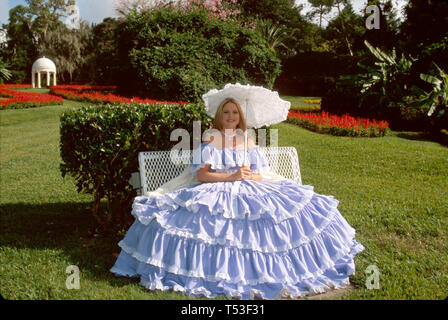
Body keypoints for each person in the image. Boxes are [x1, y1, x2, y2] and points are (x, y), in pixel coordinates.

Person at [110, 97, 365, 299]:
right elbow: (201, 175)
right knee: (210, 225)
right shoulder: (211, 139)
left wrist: (247, 176)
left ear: (240, 117)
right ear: (219, 116)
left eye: (235, 112)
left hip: (247, 187)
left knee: (282, 214)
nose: (231, 116)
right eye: (226, 112)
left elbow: (259, 173)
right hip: (215, 188)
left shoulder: (248, 140)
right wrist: (231, 177)